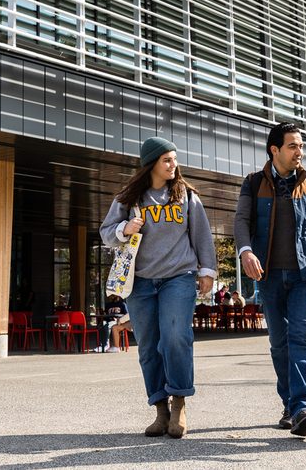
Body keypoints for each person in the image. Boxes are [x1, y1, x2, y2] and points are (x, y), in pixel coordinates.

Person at [99, 136, 216, 439]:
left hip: (178, 276)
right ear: (151, 164)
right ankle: (160, 409)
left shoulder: (186, 196)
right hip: (140, 283)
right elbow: (106, 233)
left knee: (176, 336)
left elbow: (202, 234)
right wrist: (124, 228)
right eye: (167, 160)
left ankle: (179, 403)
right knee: (149, 346)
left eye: (174, 159)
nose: (173, 165)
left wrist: (207, 270)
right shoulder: (128, 198)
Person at [234, 122, 306, 438]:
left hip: (305, 275)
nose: (299, 152)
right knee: (279, 343)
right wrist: (245, 251)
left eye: (301, 146)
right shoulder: (254, 183)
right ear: (275, 150)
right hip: (268, 276)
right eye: (293, 146)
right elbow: (241, 221)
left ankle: (302, 408)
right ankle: (290, 405)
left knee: (301, 339)